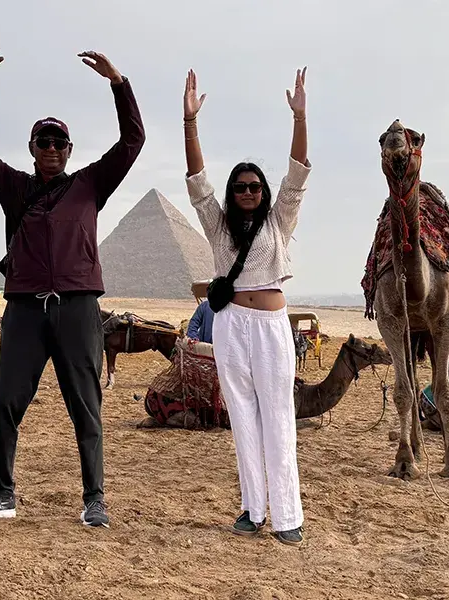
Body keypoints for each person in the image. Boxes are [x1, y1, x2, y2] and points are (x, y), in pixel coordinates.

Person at [0, 44, 145, 527]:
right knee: (4, 399)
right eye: (44, 142)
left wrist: (118, 82)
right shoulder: (15, 187)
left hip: (78, 306)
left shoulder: (90, 185)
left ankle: (94, 498)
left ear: (70, 150)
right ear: (32, 148)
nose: (52, 149)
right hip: (23, 310)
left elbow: (132, 141)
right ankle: (2, 494)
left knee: (86, 403)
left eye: (60, 143)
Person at [183, 67, 310, 546]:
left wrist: (300, 116)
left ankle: (287, 514)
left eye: (256, 187)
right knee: (242, 417)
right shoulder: (218, 227)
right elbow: (198, 182)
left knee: (278, 416)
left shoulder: (280, 221)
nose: (249, 193)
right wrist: (189, 123)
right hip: (231, 324)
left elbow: (297, 173)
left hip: (271, 326)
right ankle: (253, 508)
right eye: (241, 187)